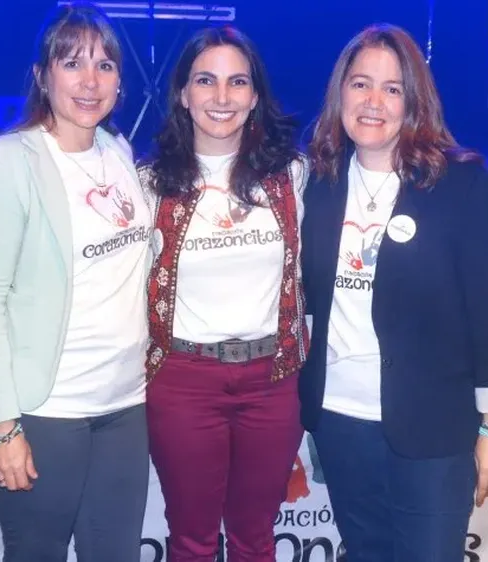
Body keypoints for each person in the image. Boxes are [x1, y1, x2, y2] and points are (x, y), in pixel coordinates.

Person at [299, 24, 488, 561]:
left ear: (413, 102)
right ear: (340, 93)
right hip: (339, 419)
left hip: (431, 428)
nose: (373, 102)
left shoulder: (459, 184)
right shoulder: (317, 182)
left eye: (392, 88)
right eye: (360, 84)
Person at [0, 3, 153, 560]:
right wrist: (0, 428)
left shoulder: (118, 152)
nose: (90, 82)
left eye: (105, 65)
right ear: (44, 76)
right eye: (73, 64)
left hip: (124, 405)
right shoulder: (6, 164)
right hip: (46, 411)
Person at [139, 25, 309, 562]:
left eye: (238, 82)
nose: (221, 97)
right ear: (183, 95)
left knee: (255, 539)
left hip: (272, 381)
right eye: (205, 81)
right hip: (184, 381)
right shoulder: (148, 184)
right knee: (189, 540)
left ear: (255, 95)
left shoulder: (292, 176)